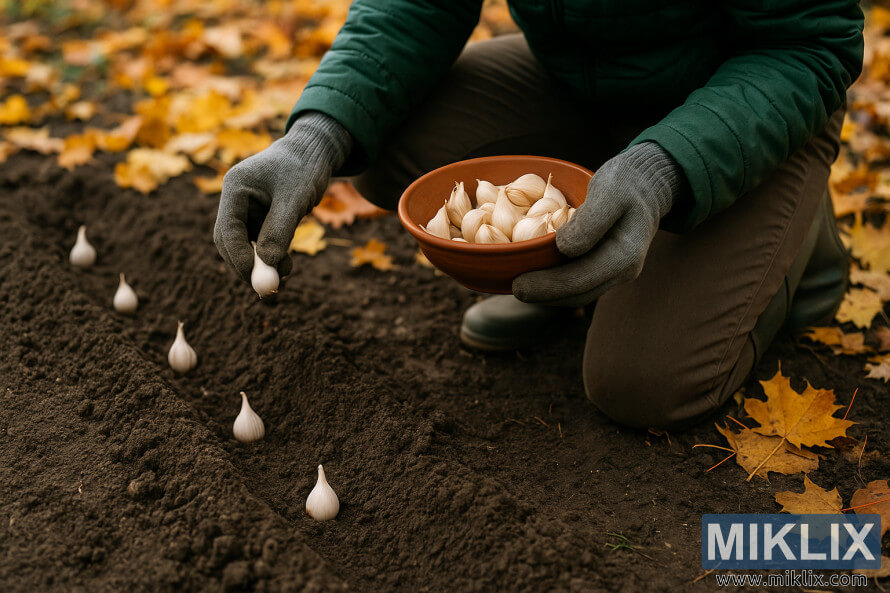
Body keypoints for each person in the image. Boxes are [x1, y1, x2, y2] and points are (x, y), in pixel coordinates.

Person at [214, 1, 864, 429]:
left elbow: (808, 47)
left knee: (641, 383)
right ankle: (567, 247)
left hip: (750, 98)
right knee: (385, 141)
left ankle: (800, 239)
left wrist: (663, 168)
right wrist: (318, 135)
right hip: (584, 88)